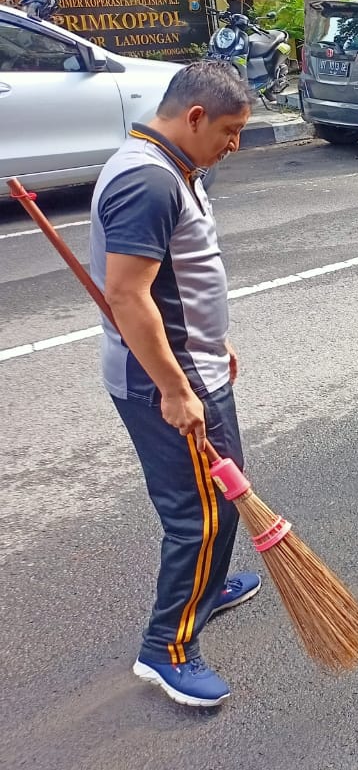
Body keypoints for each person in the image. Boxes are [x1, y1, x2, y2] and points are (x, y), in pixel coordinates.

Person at [89, 61, 261, 706]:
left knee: (220, 495)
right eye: (229, 131)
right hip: (169, 378)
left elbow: (177, 279)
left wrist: (212, 339)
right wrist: (174, 386)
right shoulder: (148, 181)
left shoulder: (172, 166)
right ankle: (167, 648)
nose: (234, 145)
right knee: (200, 515)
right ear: (194, 117)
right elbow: (129, 295)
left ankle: (206, 589)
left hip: (195, 362)